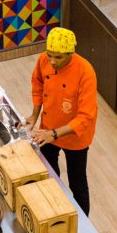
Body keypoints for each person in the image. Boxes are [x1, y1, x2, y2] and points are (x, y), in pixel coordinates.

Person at [27, 27, 98, 215]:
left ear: (70, 53)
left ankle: (83, 224)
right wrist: (34, 116)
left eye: (58, 57)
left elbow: (86, 116)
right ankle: (54, 211)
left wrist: (55, 134)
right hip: (47, 130)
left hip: (75, 138)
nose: (52, 61)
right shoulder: (43, 60)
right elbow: (37, 84)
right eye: (50, 55)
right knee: (49, 174)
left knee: (77, 183)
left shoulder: (85, 72)